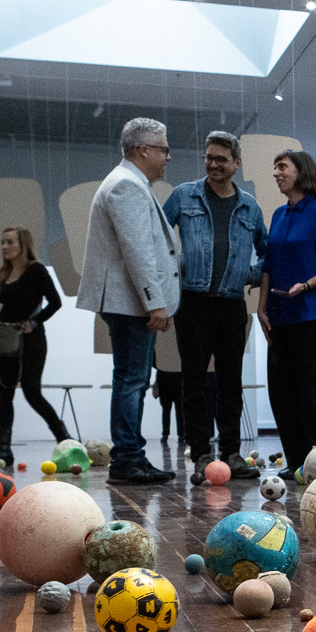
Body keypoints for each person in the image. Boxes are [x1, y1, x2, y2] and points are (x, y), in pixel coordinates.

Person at [78, 118, 181, 484]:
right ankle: (127, 458)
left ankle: (130, 453)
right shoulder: (126, 186)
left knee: (131, 378)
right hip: (129, 302)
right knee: (132, 380)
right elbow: (138, 252)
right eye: (164, 149)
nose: (168, 157)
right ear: (144, 150)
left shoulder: (128, 182)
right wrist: (155, 303)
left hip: (127, 300)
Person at [165, 130, 268, 480]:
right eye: (209, 157)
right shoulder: (183, 196)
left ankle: (231, 453)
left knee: (231, 380)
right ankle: (200, 454)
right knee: (193, 381)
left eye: (221, 159)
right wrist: (173, 269)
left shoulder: (249, 206)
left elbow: (266, 251)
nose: (213, 164)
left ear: (236, 164)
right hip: (192, 303)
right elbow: (158, 237)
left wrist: (251, 274)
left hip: (231, 305)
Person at [261, 149, 316, 470]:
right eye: (275, 167)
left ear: (302, 172)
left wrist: (307, 285)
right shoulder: (278, 215)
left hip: (313, 318)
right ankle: (297, 462)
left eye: (282, 166)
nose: (276, 173)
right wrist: (261, 309)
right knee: (283, 394)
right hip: (279, 320)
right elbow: (268, 266)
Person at [0, 228, 72, 467]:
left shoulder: (36, 270)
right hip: (5, 339)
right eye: (2, 242)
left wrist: (34, 322)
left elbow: (56, 302)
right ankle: (2, 451)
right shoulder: (6, 272)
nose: (4, 246)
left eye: (9, 242)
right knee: (4, 394)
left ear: (23, 244)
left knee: (32, 391)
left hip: (31, 340)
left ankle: (65, 439)